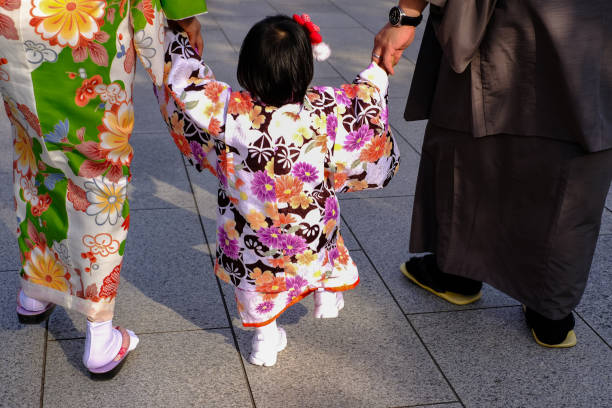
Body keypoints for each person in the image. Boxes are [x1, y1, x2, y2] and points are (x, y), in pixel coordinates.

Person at [156, 14, 400, 366]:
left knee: (257, 283)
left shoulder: (231, 111)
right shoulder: (324, 109)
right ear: (306, 71)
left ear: (247, 70)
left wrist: (174, 40)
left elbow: (187, 86)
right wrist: (377, 69)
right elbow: (364, 102)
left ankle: (265, 341)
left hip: (252, 235)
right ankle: (324, 295)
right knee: (320, 249)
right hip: (309, 228)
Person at [373, 0, 612, 348]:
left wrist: (406, 14)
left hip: (501, 18)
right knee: (575, 150)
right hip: (594, 22)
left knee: (472, 133)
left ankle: (457, 272)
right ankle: (550, 311)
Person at [1, 0, 207, 376]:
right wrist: (182, 12)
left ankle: (36, 287)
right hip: (80, 20)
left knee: (34, 150)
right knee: (96, 167)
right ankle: (100, 332)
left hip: (12, 21)